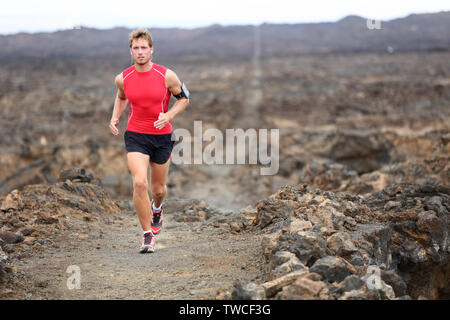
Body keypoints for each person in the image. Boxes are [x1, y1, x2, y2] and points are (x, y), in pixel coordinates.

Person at [109, 28, 189, 253]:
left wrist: (168, 116)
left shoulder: (167, 75)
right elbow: (121, 96)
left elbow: (184, 99)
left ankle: (157, 208)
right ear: (131, 51)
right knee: (140, 183)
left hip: (162, 137)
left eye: (144, 48)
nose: (140, 52)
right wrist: (115, 117)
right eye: (136, 48)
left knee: (158, 189)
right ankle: (147, 235)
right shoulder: (123, 78)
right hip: (136, 136)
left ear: (152, 50)